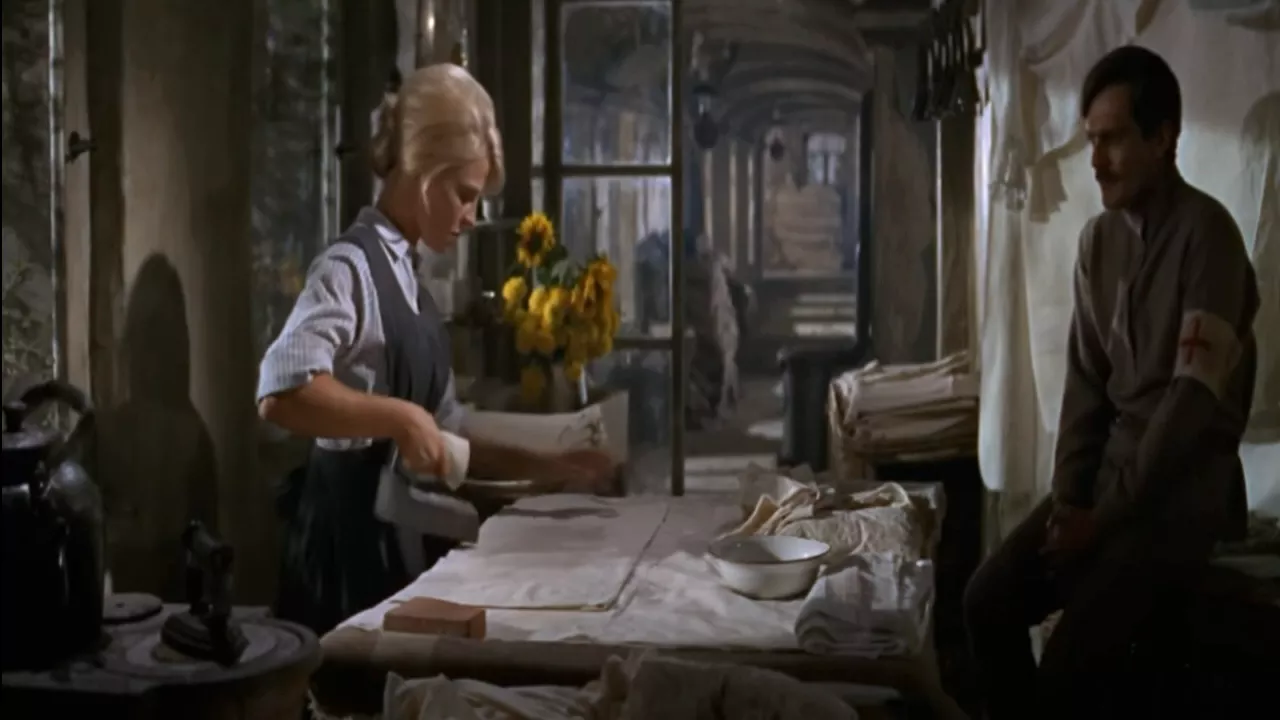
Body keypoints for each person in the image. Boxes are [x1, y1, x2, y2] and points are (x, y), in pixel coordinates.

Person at [257, 64, 616, 636]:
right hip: (344, 559)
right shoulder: (348, 269)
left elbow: (449, 430)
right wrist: (399, 418)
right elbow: (282, 391)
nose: (472, 217)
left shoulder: (412, 284)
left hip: (398, 549)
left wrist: (552, 469)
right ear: (425, 174)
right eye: (464, 195)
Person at [963, 46, 1259, 719]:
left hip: (1182, 491)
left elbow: (1189, 405)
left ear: (1163, 138)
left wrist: (1101, 520)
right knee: (985, 602)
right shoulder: (1098, 243)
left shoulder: (1208, 237)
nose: (1096, 161)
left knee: (1070, 669)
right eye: (1092, 140)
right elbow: (1085, 386)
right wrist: (1068, 502)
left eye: (1114, 140)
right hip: (1108, 484)